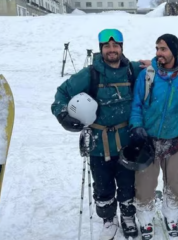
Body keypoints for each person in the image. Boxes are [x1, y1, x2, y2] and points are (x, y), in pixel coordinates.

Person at [51, 29, 146, 240]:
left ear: (121, 47)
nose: (111, 50)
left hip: (126, 140)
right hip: (98, 142)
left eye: (115, 46)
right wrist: (63, 115)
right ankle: (108, 218)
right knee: (103, 184)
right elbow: (62, 93)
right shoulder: (90, 74)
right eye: (107, 46)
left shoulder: (132, 70)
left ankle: (128, 216)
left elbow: (161, 68)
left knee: (128, 183)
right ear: (101, 49)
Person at [129, 34, 178, 239]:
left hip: (174, 141)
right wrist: (136, 127)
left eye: (163, 49)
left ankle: (172, 217)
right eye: (157, 48)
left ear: (174, 52)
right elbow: (137, 105)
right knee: (145, 186)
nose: (158, 53)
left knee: (174, 185)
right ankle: (145, 220)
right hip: (148, 141)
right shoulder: (147, 75)